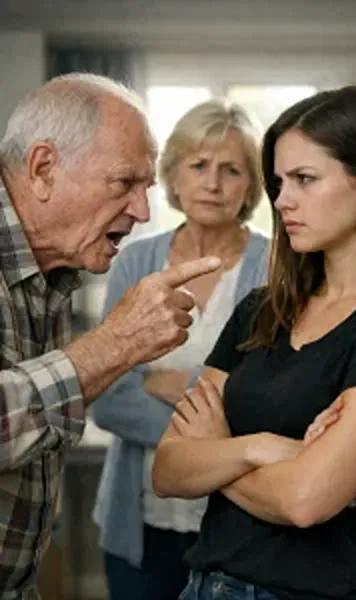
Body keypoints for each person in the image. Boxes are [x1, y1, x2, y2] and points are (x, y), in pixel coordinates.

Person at [153, 85, 356, 600]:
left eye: (305, 179)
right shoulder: (260, 309)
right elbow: (169, 470)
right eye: (279, 182)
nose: (283, 200)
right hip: (203, 587)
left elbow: (306, 501)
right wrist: (261, 448)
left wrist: (218, 451)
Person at [0, 72, 220, 600]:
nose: (142, 211)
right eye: (124, 183)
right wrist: (116, 345)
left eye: (146, 188)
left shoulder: (54, 274)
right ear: (44, 169)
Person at [92, 98, 270, 600]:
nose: (213, 183)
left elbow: (267, 400)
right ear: (172, 174)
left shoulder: (276, 266)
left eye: (231, 169)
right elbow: (107, 397)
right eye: (198, 165)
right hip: (138, 522)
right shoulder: (134, 261)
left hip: (236, 527)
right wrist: (210, 413)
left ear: (251, 186)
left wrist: (165, 383)